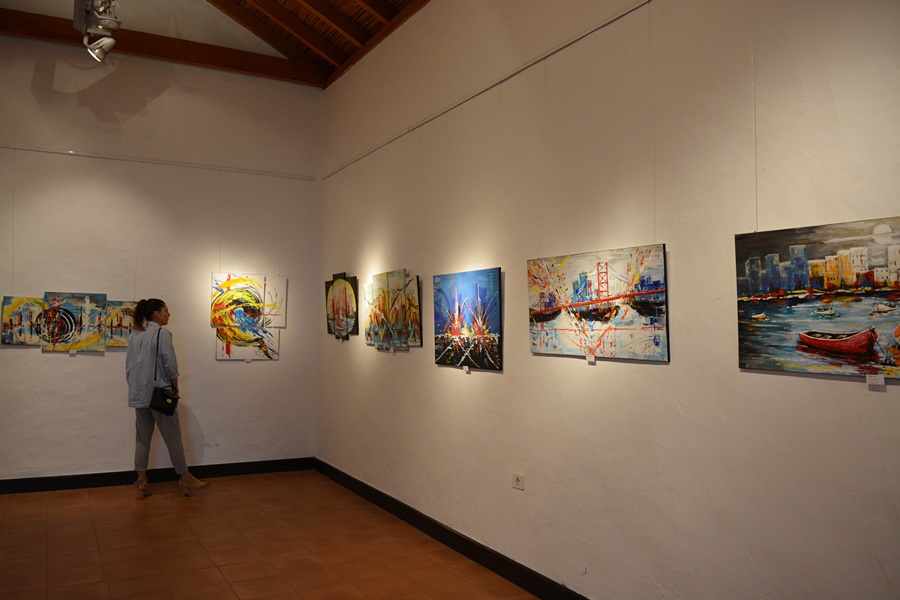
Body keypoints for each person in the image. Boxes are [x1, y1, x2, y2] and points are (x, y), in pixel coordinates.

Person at [125, 298, 208, 498]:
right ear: (156, 314)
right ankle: (185, 477)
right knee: (174, 439)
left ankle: (142, 482)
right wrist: (175, 389)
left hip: (139, 395)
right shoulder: (162, 333)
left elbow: (128, 367)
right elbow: (170, 364)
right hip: (159, 394)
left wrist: (136, 388)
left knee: (142, 440)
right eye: (166, 311)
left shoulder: (135, 336)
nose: (168, 315)